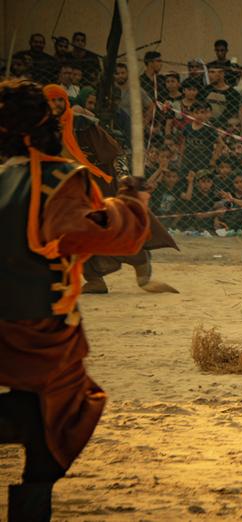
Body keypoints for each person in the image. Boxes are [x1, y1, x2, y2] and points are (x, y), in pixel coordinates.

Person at [0, 79, 152, 520]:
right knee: (67, 415)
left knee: (41, 414)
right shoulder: (59, 180)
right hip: (40, 332)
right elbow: (106, 233)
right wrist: (132, 202)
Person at [44, 85, 179, 295]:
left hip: (100, 186)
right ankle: (94, 279)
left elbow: (116, 153)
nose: (56, 104)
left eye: (59, 99)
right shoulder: (43, 131)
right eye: (51, 100)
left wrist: (123, 177)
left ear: (66, 101)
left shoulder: (82, 125)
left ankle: (141, 267)